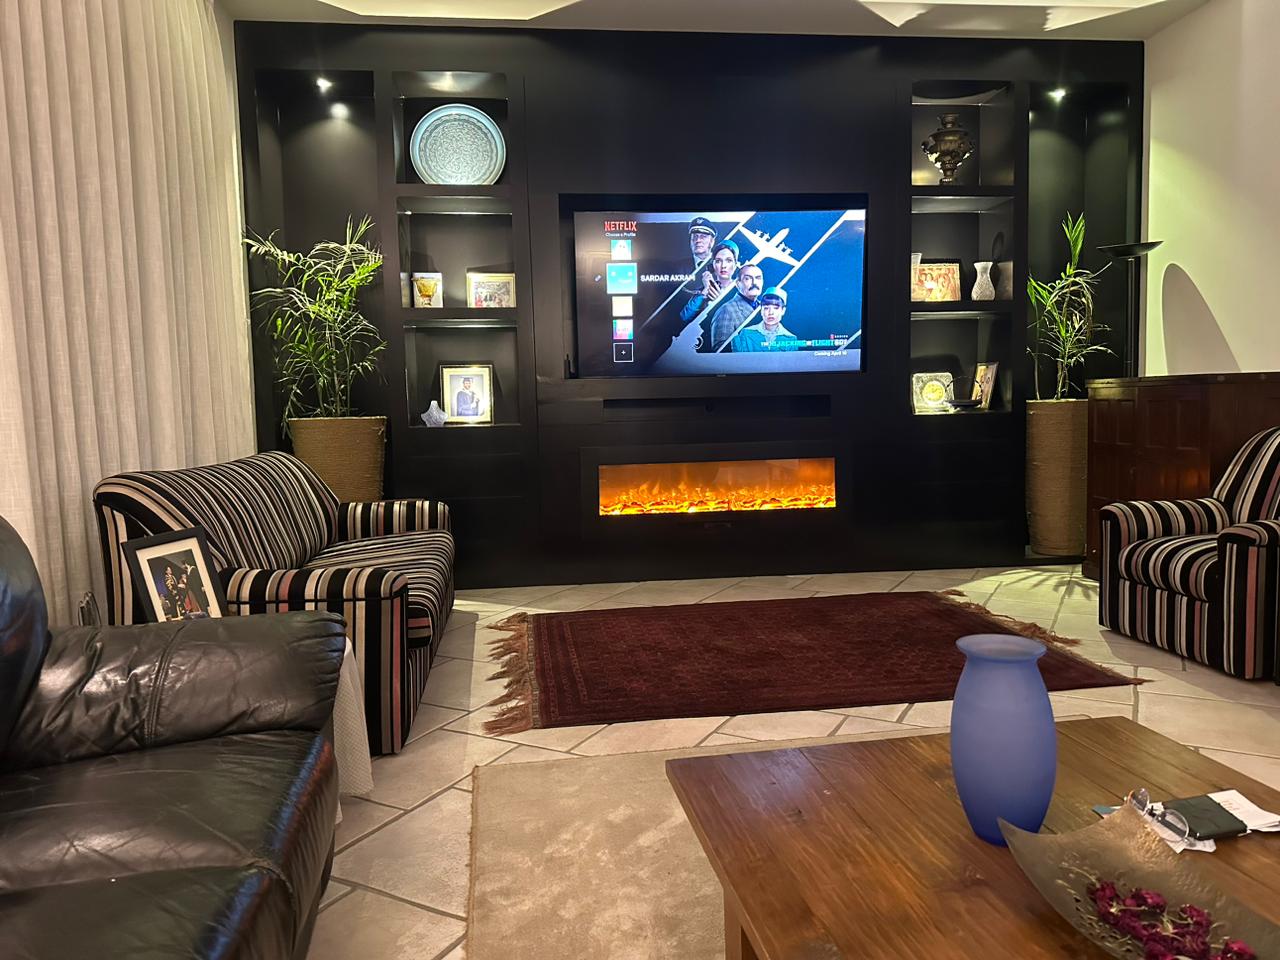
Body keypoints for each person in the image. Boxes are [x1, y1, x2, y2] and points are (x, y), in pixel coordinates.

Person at [705, 262, 764, 352]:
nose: (754, 282)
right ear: (738, 284)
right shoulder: (726, 310)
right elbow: (720, 350)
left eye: (758, 278)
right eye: (747, 278)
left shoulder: (764, 308)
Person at [680, 239, 739, 325]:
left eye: (729, 260)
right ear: (712, 265)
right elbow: (684, 317)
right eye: (718, 261)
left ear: (735, 265)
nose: (723, 266)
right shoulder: (704, 290)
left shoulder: (740, 290)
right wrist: (704, 292)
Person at [732, 286, 799, 352]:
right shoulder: (746, 333)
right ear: (761, 310)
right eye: (766, 308)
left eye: (775, 308)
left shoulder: (791, 339)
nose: (771, 312)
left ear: (783, 310)